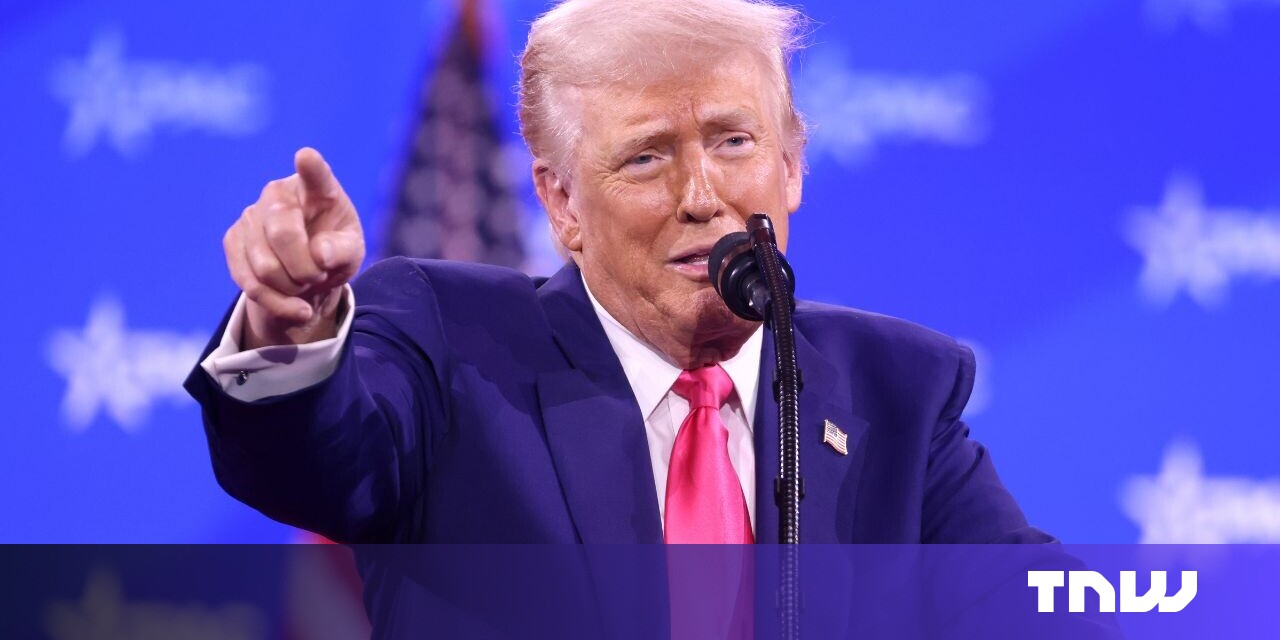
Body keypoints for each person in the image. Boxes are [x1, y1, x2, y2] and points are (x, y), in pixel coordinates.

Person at [185, 0, 1052, 546]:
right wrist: (292, 328)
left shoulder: (896, 393)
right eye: (645, 158)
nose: (701, 196)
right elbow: (313, 466)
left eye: (734, 141)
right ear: (562, 203)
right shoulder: (452, 347)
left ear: (791, 167)